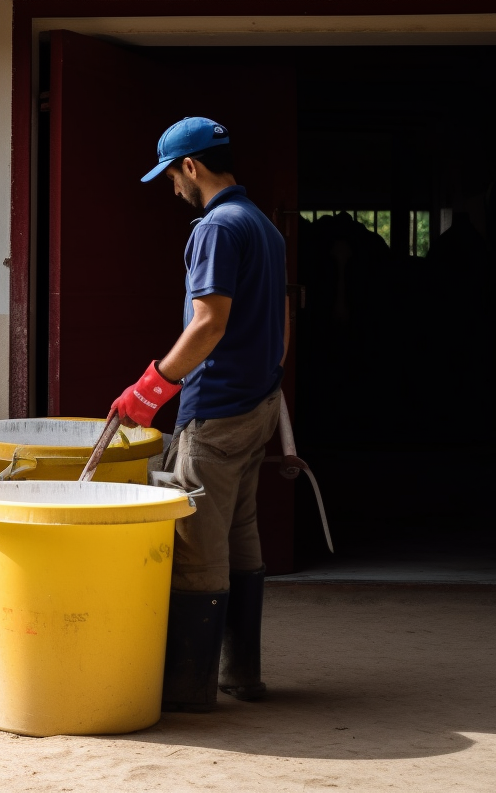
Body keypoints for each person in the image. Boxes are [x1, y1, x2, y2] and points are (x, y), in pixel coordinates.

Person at [111, 117, 288, 713]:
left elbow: (209, 321)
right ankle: (244, 673)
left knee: (194, 544)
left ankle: (188, 690)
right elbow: (284, 327)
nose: (172, 189)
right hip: (259, 405)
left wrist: (153, 385)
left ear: (192, 166)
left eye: (171, 175)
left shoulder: (216, 227)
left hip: (215, 412)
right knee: (241, 536)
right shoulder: (264, 226)